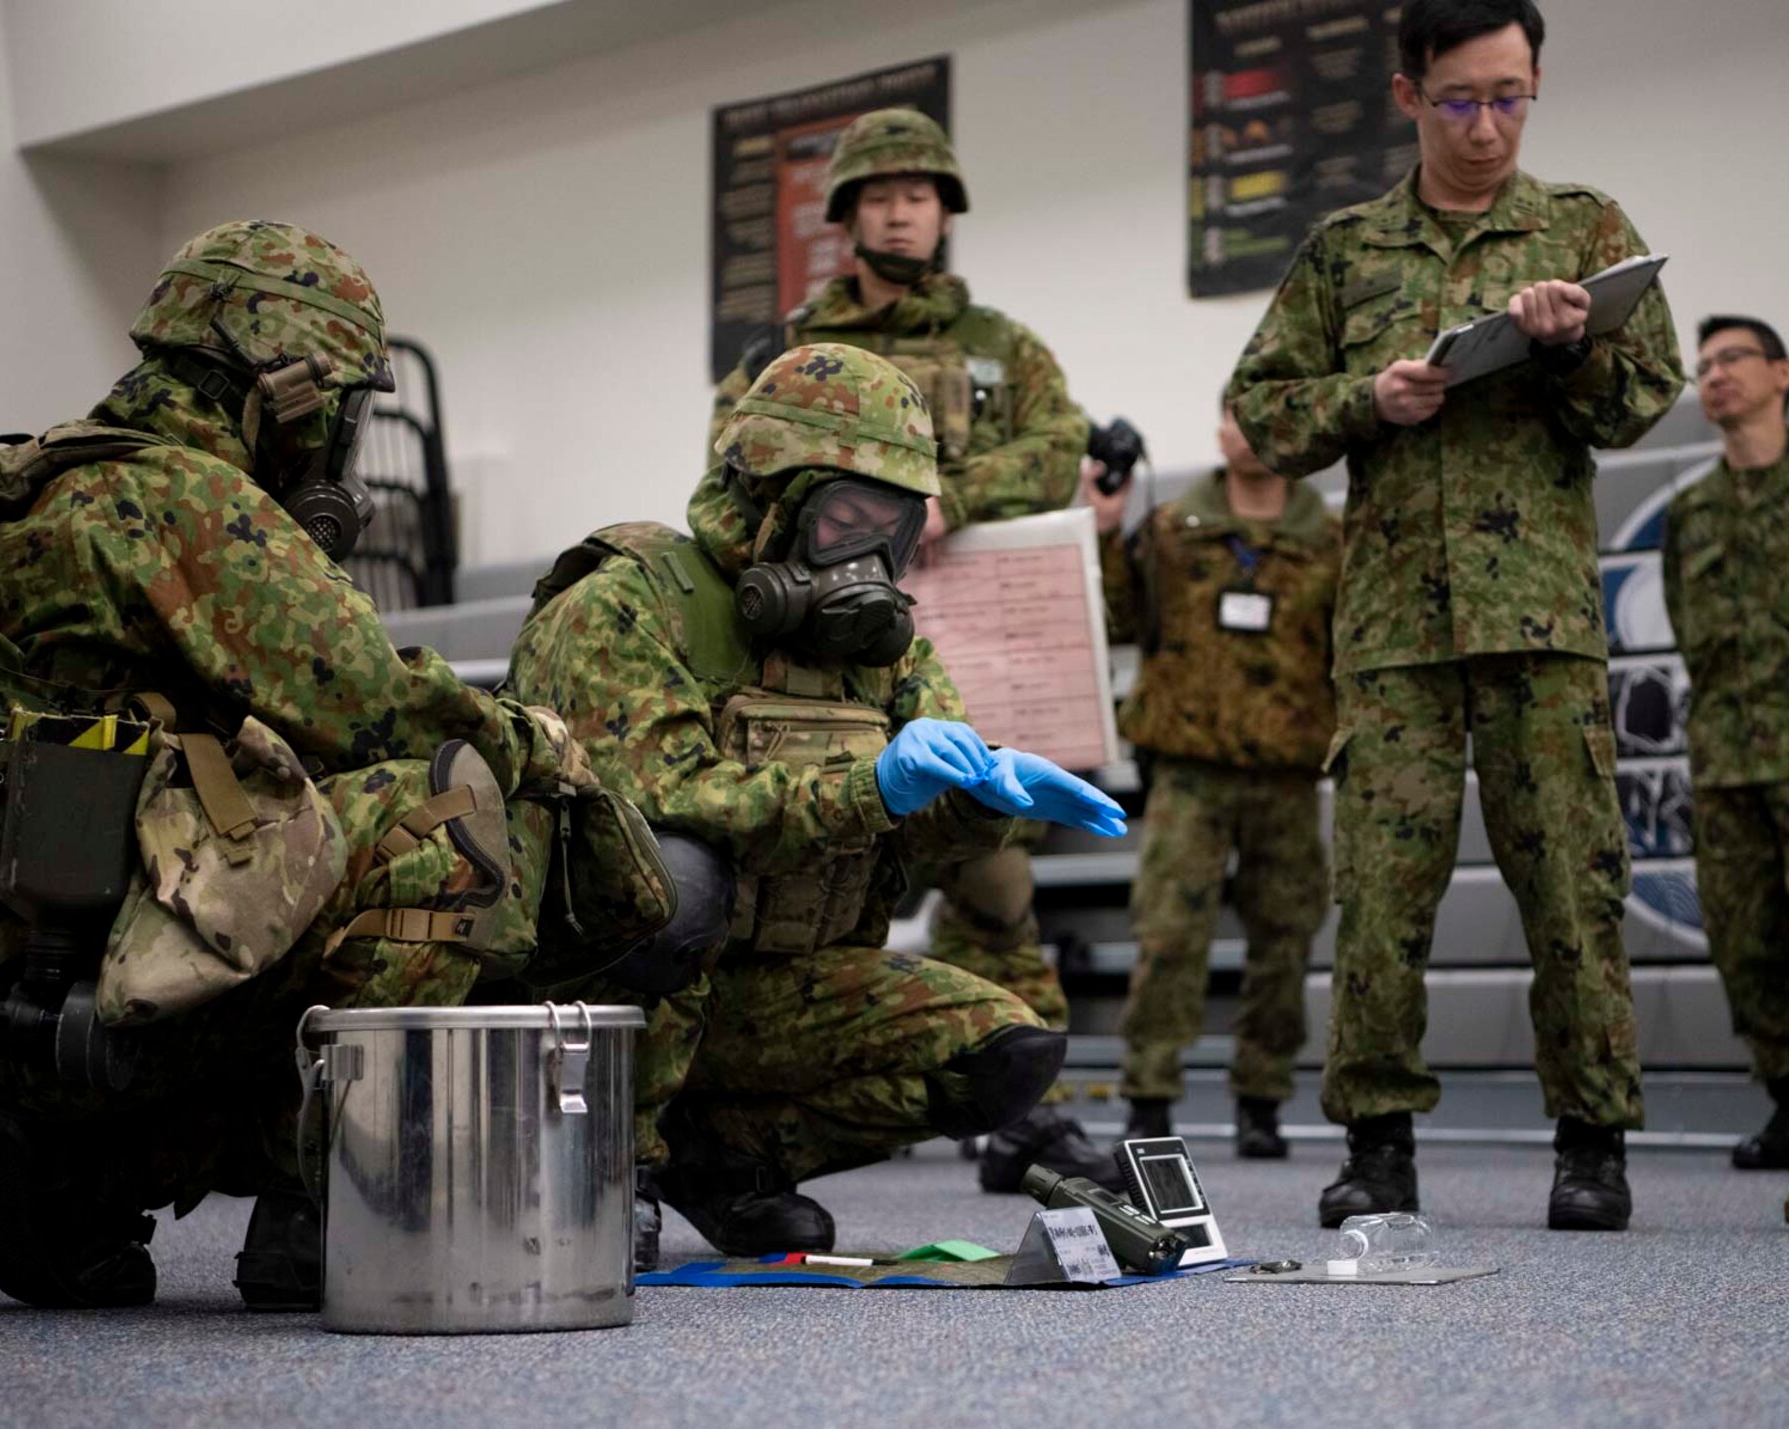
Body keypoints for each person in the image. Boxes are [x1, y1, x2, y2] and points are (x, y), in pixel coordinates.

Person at [0, 221, 660, 1311]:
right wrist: (544, 741)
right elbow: (373, 704)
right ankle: (327, 1206)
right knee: (442, 806)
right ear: (288, 391)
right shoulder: (180, 499)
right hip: (68, 976)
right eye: (347, 417)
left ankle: (71, 1183)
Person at [512, 343, 1130, 1264]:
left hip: (770, 993)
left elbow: (930, 813)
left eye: (896, 529)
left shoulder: (885, 649)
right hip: (604, 1000)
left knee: (1002, 1053)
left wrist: (981, 799)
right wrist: (869, 785)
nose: (872, 558)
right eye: (848, 520)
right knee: (673, 881)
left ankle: (723, 1161)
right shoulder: (631, 603)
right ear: (770, 499)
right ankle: (609, 1164)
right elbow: (663, 797)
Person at [1227, 0, 1683, 1231]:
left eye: (1511, 96)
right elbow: (1258, 411)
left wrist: (1572, 346)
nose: (1487, 127)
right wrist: (1365, 398)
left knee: (1574, 893)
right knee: (1378, 893)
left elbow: (1642, 400)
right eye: (1460, 100)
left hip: (1540, 623)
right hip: (1389, 636)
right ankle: (1376, 1148)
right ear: (1404, 95)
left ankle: (1590, 1144)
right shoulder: (1343, 249)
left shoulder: (1582, 228)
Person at [709, 106, 1114, 1193]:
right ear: (845, 216)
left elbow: (1056, 442)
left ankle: (1022, 1105)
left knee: (997, 873)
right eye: (879, 194)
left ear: (944, 211)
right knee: (800, 874)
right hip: (818, 650)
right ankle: (737, 1120)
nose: (901, 209)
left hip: (970, 624)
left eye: (919, 192)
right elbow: (727, 462)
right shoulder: (783, 352)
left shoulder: (999, 346)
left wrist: (946, 495)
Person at [1084, 403, 1341, 1158]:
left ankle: (1261, 1098)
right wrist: (1104, 527)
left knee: (1285, 937)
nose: (1252, 428)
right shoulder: (1170, 527)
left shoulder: (1329, 536)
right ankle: (1149, 1096)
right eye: (1237, 413)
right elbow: (1120, 617)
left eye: (1270, 412)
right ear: (1219, 431)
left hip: (1287, 769)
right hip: (1189, 769)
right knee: (1167, 935)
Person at [1662, 315, 1789, 1171]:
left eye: (1734, 358)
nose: (1715, 375)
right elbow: (1682, 622)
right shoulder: (1692, 511)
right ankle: (1787, 1096)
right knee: (1746, 942)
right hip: (1727, 758)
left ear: (1782, 373)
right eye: (1703, 365)